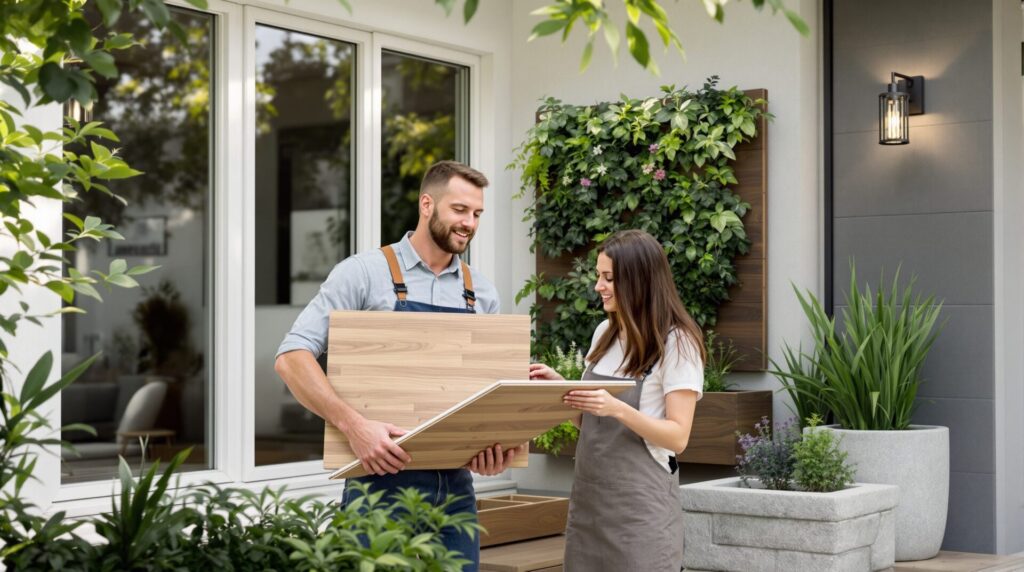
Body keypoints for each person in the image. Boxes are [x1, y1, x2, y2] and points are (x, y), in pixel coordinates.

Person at [274, 160, 523, 571]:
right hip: (379, 486)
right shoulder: (363, 273)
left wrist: (492, 448)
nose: (469, 223)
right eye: (459, 210)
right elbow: (292, 359)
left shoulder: (482, 293)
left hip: (457, 491)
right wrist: (354, 426)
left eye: (477, 213)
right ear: (427, 204)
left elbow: (487, 393)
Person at [529, 229, 705, 572]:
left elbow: (678, 437)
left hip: (640, 515)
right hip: (590, 507)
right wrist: (562, 390)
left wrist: (618, 408)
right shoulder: (604, 334)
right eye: (599, 276)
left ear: (638, 281)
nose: (598, 286)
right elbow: (591, 424)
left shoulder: (677, 343)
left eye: (608, 278)